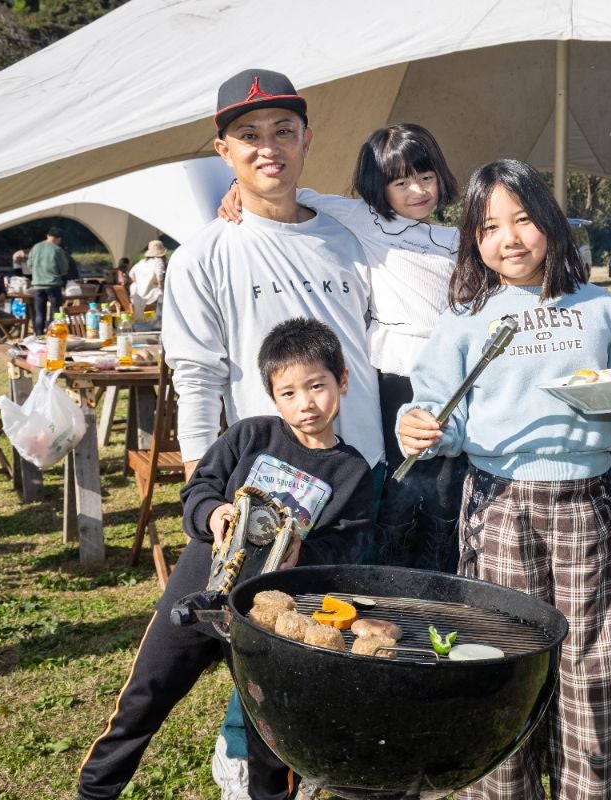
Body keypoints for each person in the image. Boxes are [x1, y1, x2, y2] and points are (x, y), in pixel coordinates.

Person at [397, 158, 611, 800]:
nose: (508, 239)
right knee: (501, 659)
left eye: (523, 219)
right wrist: (418, 425)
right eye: (488, 226)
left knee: (591, 663)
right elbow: (435, 403)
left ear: (551, 223)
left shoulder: (599, 307)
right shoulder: (467, 314)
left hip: (585, 503)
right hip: (498, 505)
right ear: (472, 240)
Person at [160, 68, 383, 799]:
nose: (268, 148)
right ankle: (241, 752)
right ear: (222, 150)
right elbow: (196, 377)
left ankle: (317, 752)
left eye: (283, 132)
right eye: (249, 137)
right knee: (258, 619)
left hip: (357, 470)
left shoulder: (348, 232)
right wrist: (206, 495)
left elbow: (402, 220)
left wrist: (304, 198)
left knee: (333, 619)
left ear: (308, 138)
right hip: (268, 484)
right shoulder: (203, 255)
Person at [77, 318, 374, 800]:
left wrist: (306, 552)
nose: (306, 404)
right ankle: (95, 791)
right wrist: (213, 514)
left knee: (270, 731)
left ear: (341, 379)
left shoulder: (352, 472)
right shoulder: (250, 436)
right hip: (196, 592)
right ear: (273, 398)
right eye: (289, 393)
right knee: (143, 699)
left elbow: (349, 546)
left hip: (270, 617)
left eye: (317, 386)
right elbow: (199, 489)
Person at [219, 123, 466, 571]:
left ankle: (442, 577)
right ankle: (395, 582)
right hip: (398, 378)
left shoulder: (456, 242)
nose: (417, 190)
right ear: (379, 188)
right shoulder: (369, 222)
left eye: (426, 177)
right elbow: (304, 194)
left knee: (448, 494)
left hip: (453, 376)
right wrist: (238, 186)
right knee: (403, 492)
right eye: (400, 181)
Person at [27, 227, 70, 335]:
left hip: (38, 286)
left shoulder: (36, 247)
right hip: (53, 285)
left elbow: (29, 265)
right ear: (58, 239)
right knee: (56, 313)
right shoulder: (57, 249)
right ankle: (54, 335)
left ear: (47, 236)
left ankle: (39, 337)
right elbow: (64, 269)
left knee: (39, 314)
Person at [128, 239, 167, 315]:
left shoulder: (141, 262)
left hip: (139, 295)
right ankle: (161, 317)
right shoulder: (158, 261)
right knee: (161, 293)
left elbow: (131, 274)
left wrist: (141, 283)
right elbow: (159, 277)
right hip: (153, 297)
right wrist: (159, 284)